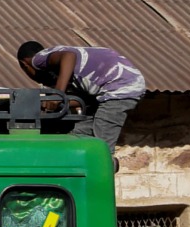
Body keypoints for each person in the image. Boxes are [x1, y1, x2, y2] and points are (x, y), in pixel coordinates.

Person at [16, 40, 146, 151]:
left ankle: (102, 173)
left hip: (119, 88)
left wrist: (58, 95)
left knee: (101, 147)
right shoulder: (72, 74)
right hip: (114, 89)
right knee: (79, 132)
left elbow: (69, 56)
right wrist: (56, 102)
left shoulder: (37, 59)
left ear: (24, 65)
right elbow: (84, 99)